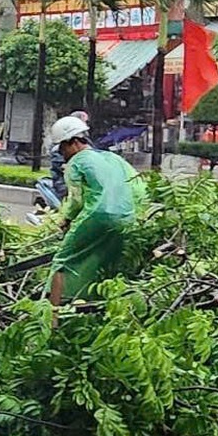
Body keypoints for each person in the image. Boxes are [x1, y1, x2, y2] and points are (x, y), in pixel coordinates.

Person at [47, 115, 145, 306]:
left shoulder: (76, 163)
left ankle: (52, 318)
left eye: (62, 148)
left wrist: (66, 219)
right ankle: (100, 308)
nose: (62, 154)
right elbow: (139, 188)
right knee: (107, 263)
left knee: (61, 261)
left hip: (96, 217)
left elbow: (76, 200)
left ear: (73, 142)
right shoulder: (114, 159)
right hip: (127, 218)